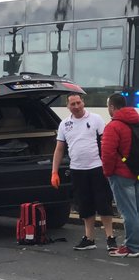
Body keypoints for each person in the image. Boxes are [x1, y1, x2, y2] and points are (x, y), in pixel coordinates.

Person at [51, 94, 116, 252]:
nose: (76, 106)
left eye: (78, 102)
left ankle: (110, 237)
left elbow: (106, 143)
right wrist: (54, 172)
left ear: (83, 102)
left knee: (104, 203)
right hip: (77, 169)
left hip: (97, 168)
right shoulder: (64, 124)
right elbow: (59, 149)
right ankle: (89, 238)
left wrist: (109, 166)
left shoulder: (96, 119)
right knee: (84, 205)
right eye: (73, 104)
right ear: (68, 107)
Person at [102, 93, 139, 258]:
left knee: (128, 212)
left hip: (121, 174)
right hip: (136, 172)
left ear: (112, 107)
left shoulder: (113, 126)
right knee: (136, 210)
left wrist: (107, 173)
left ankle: (132, 246)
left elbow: (108, 153)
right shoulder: (136, 122)